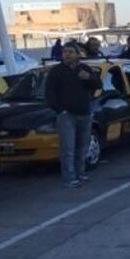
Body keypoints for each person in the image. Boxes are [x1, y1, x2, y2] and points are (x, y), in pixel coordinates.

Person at [44, 42, 102, 188]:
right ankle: (69, 178)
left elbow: (99, 85)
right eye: (65, 52)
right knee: (68, 148)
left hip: (85, 113)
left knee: (82, 146)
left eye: (70, 52)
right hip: (67, 115)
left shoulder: (85, 69)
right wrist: (59, 109)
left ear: (78, 54)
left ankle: (80, 173)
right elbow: (50, 93)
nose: (67, 55)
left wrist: (89, 78)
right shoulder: (56, 71)